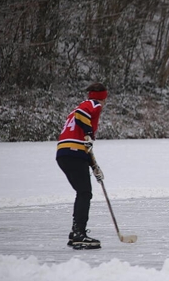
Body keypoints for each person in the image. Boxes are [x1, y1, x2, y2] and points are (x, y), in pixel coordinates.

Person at [56, 82, 107, 249]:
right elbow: (81, 113)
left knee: (82, 192)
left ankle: (75, 232)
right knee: (85, 193)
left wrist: (94, 167)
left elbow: (86, 146)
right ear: (103, 97)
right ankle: (79, 234)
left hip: (65, 153)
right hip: (73, 152)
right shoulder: (92, 104)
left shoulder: (79, 110)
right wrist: (89, 132)